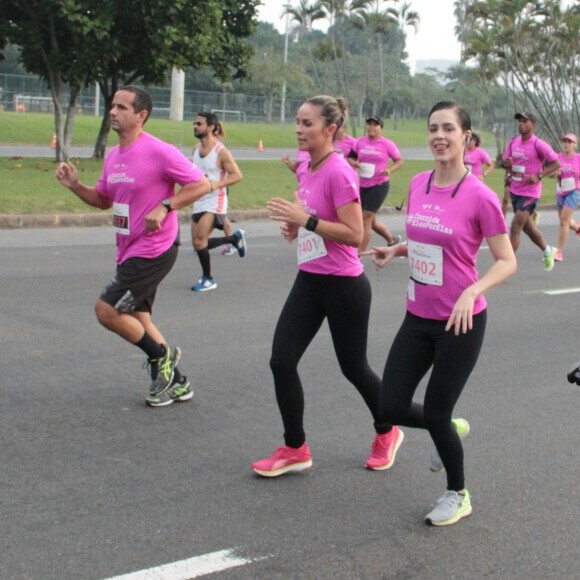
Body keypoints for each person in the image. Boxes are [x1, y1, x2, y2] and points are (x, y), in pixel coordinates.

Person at [365, 101, 516, 526]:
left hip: (461, 321)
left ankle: (458, 493)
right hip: (418, 315)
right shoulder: (416, 183)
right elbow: (431, 241)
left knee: (435, 411)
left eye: (449, 128)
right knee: (389, 404)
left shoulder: (480, 196)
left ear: (466, 137)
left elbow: (506, 261)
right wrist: (399, 248)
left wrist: (474, 290)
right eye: (433, 128)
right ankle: (448, 427)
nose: (439, 136)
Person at [252, 95, 404, 478]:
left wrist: (308, 221)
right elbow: (311, 216)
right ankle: (294, 447)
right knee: (281, 361)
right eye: (298, 122)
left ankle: (388, 431)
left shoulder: (340, 171)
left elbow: (355, 234)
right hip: (309, 280)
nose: (299, 129)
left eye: (307, 123)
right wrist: (296, 224)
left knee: (354, 368)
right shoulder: (306, 165)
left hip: (343, 286)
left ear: (330, 129)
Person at [55, 85, 211, 407]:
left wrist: (166, 206)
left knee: (107, 309)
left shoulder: (159, 151)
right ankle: (178, 382)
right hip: (128, 248)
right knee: (139, 317)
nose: (112, 111)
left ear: (141, 116)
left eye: (122, 107)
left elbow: (201, 184)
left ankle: (162, 358)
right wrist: (74, 186)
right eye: (112, 105)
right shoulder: (113, 156)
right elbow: (102, 200)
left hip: (154, 248)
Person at [190, 112, 246, 291]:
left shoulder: (221, 152)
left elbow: (238, 175)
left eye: (199, 124)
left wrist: (217, 185)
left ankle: (208, 279)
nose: (195, 126)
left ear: (211, 127)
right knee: (197, 243)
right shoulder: (196, 149)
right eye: (195, 123)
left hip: (216, 200)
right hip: (199, 199)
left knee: (200, 241)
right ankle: (234, 238)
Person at [502, 111, 560, 271]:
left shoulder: (538, 144)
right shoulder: (513, 142)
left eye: (525, 121)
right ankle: (548, 250)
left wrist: (539, 175)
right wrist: (506, 165)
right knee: (528, 227)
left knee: (515, 226)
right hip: (515, 190)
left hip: (530, 193)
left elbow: (556, 163)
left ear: (533, 124)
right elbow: (506, 164)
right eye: (519, 121)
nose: (521, 124)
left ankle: (507, 265)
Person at [350, 115, 404, 252]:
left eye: (375, 124)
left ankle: (359, 254)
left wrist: (389, 170)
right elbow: (350, 157)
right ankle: (392, 240)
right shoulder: (360, 142)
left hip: (379, 185)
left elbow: (399, 161)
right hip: (362, 185)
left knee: (365, 219)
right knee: (371, 220)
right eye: (369, 124)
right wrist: (354, 163)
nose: (371, 127)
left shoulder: (387, 144)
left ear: (381, 128)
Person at [551, 133, 580, 262]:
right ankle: (578, 228)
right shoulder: (557, 158)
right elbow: (550, 172)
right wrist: (555, 172)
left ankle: (559, 252)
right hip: (561, 191)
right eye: (565, 142)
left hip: (575, 191)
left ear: (575, 145)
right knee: (566, 222)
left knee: (563, 220)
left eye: (570, 142)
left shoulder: (578, 159)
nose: (566, 144)